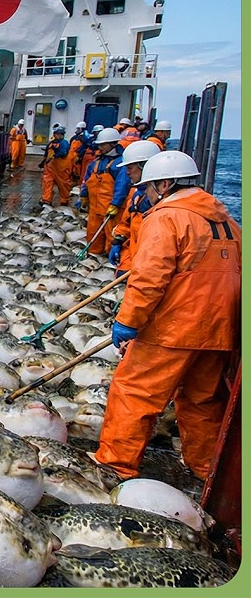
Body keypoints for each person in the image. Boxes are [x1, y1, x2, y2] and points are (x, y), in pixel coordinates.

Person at [96, 151, 241, 481]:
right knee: (202, 401)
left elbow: (149, 278)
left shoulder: (167, 217)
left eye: (148, 188)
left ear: (165, 184)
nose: (145, 194)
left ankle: (115, 465)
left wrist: (128, 321)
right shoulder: (228, 222)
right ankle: (204, 469)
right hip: (221, 331)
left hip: (175, 328)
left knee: (134, 392)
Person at [108, 140, 162, 275]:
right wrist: (118, 239)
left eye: (130, 168)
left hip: (147, 265)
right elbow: (126, 221)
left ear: (144, 166)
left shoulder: (162, 201)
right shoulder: (136, 194)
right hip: (132, 257)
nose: (127, 173)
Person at [78, 127, 129, 256]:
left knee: (112, 239)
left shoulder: (120, 163)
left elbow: (122, 185)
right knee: (93, 236)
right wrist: (84, 195)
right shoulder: (96, 162)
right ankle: (93, 259)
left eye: (103, 144)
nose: (100, 147)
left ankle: (110, 264)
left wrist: (115, 204)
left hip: (110, 210)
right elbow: (87, 180)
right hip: (95, 209)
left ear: (113, 144)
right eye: (99, 144)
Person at [39, 126, 73, 207]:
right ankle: (46, 200)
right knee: (47, 183)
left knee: (63, 185)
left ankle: (64, 200)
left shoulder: (64, 143)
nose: (59, 136)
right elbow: (46, 154)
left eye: (60, 134)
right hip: (50, 168)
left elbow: (63, 153)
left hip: (61, 168)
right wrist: (43, 162)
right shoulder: (51, 143)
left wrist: (55, 155)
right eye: (57, 134)